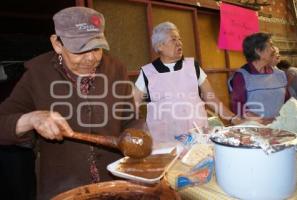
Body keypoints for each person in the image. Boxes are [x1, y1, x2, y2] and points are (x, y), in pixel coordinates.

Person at [0, 7, 143, 199]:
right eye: (80, 49)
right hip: (64, 188)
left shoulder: (115, 68)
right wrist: (31, 119)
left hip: (115, 184)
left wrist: (140, 132)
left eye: (97, 48)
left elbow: (129, 118)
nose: (91, 58)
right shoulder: (37, 75)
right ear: (57, 44)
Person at [134, 21, 240, 148]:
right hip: (165, 143)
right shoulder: (147, 73)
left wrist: (233, 118)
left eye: (179, 39)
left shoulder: (192, 66)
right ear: (160, 46)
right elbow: (132, 106)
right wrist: (140, 131)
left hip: (197, 138)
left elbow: (211, 98)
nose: (179, 43)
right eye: (173, 40)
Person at [228, 32, 290, 124]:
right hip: (256, 129)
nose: (274, 50)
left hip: (281, 127)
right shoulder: (242, 76)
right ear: (258, 51)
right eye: (271, 46)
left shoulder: (280, 75)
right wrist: (261, 121)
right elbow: (238, 106)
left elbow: (287, 101)